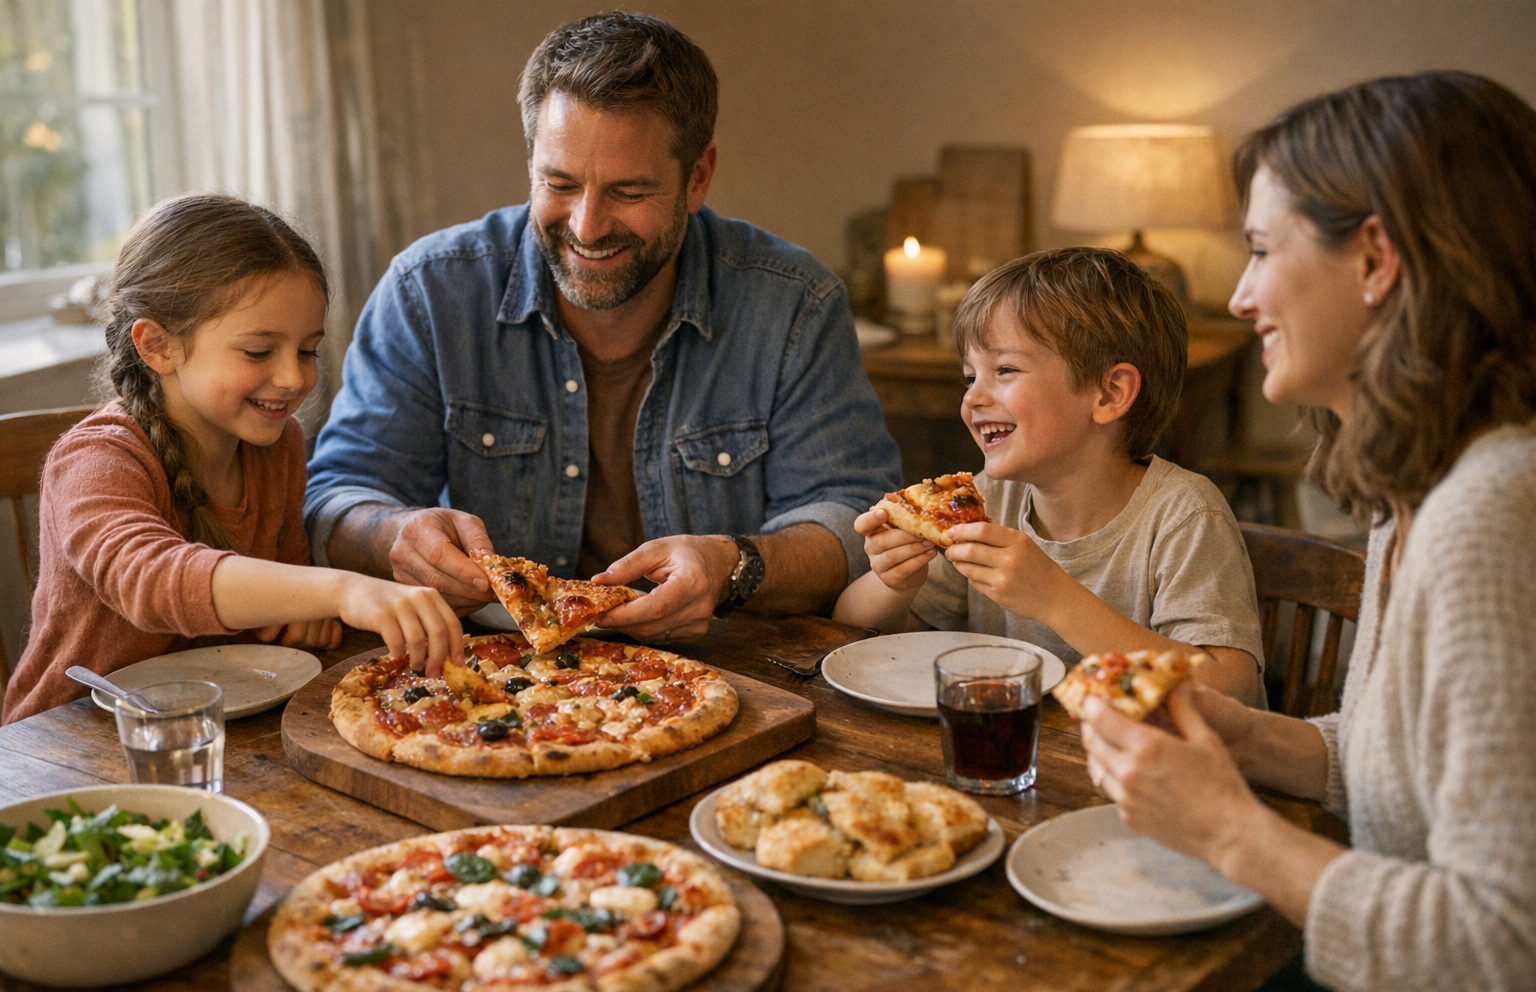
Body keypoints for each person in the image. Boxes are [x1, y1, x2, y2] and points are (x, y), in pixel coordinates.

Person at [1078, 72, 1536, 992]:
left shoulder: (1494, 514)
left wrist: (1228, 830)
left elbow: (1508, 960)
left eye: (1259, 250)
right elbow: (1404, 769)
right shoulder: (1417, 488)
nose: (1241, 298)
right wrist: (1248, 739)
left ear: (1375, 258)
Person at [304, 12, 900, 641]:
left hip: (730, 671)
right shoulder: (429, 290)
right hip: (489, 678)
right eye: (559, 183)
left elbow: (856, 522)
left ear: (697, 177)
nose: (587, 227)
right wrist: (395, 535)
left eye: (629, 192)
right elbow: (337, 498)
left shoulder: (794, 305)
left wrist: (734, 567)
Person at [2, 193, 462, 725]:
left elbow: (283, 593)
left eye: (307, 350)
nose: (293, 378)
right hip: (72, 744)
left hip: (223, 727)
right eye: (259, 352)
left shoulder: (277, 443)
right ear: (158, 346)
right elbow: (150, 579)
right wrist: (341, 590)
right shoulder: (96, 458)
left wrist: (300, 613)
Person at [834, 248, 1265, 704]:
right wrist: (893, 583)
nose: (973, 398)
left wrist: (1055, 599)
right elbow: (846, 633)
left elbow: (1229, 689)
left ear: (1109, 393)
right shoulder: (989, 500)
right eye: (969, 377)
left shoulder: (1183, 515)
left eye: (1004, 370)